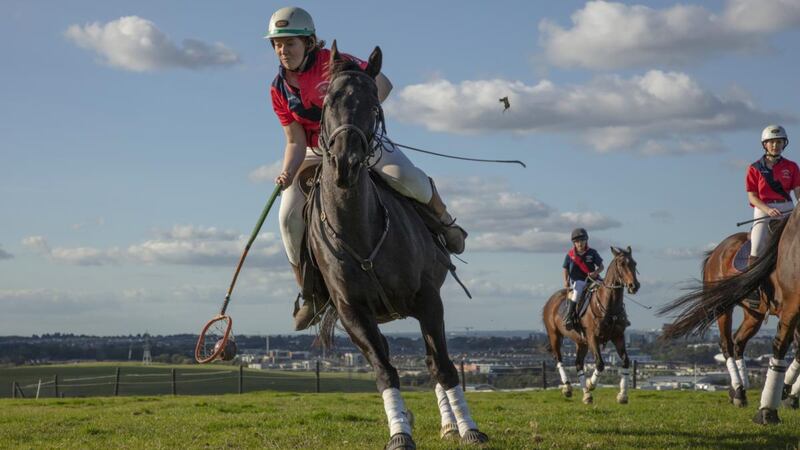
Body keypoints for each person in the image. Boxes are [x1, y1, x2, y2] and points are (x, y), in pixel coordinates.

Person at [265, 7, 467, 330]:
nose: (282, 51)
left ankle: (446, 223)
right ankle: (309, 294)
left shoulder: (335, 63)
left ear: (309, 41)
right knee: (287, 217)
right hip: (317, 152)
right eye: (277, 44)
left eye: (289, 43)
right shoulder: (278, 89)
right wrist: (287, 171)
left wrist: (358, 120)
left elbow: (383, 84)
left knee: (407, 178)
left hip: (359, 141)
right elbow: (294, 140)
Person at [746, 125, 800, 266]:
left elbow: (797, 191)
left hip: (787, 208)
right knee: (756, 248)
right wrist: (767, 210)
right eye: (771, 142)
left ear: (784, 144)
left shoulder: (792, 166)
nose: (775, 145)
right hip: (764, 209)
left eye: (779, 142)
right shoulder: (754, 168)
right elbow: (752, 196)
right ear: (765, 144)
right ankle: (752, 284)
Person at [562, 228, 603, 330]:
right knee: (575, 294)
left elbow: (601, 267)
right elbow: (565, 268)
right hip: (579, 281)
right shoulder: (570, 255)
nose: (580, 243)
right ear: (574, 243)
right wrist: (566, 281)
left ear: (586, 241)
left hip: (593, 280)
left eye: (582, 241)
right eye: (577, 242)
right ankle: (569, 317)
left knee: (607, 289)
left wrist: (595, 273)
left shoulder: (592, 252)